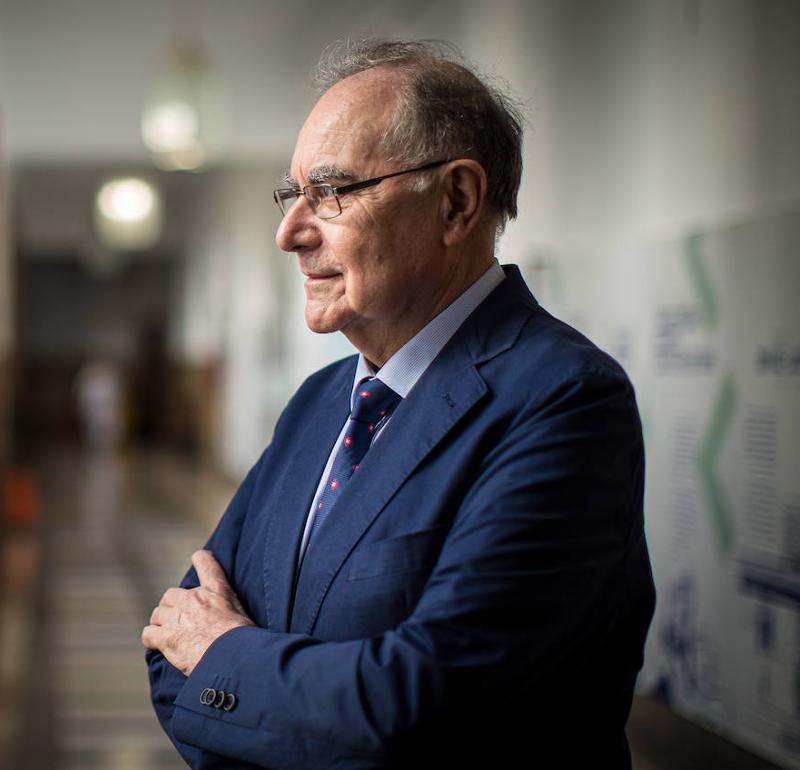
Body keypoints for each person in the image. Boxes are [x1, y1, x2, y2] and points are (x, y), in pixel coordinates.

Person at [142, 39, 655, 769]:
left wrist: (225, 654)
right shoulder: (320, 402)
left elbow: (417, 706)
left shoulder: (564, 403)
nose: (288, 233)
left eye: (331, 192)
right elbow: (170, 644)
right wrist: (257, 689)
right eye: (293, 196)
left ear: (456, 201)